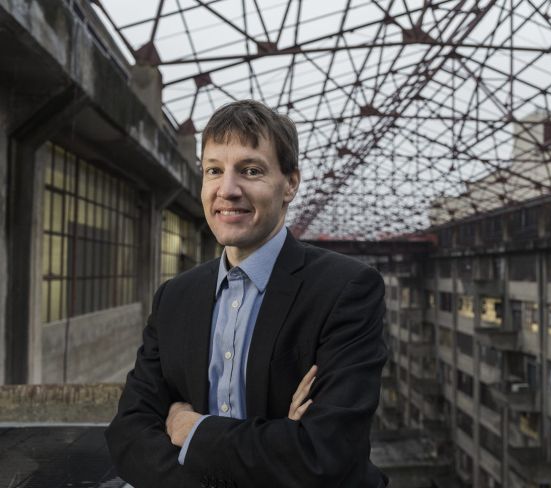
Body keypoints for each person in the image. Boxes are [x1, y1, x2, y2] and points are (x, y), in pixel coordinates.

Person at [105, 100, 388, 487]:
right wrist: (274, 443)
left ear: (290, 183)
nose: (228, 189)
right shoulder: (175, 297)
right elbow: (128, 435)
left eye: (250, 170)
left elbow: (323, 453)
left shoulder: (346, 289)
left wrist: (193, 430)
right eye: (213, 171)